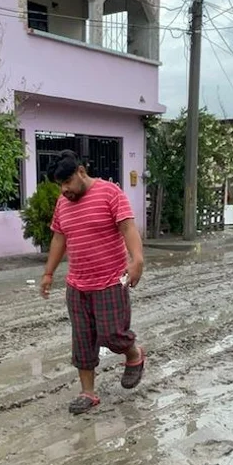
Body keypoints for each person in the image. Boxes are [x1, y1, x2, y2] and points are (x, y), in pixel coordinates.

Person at [40, 150, 145, 414]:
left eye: (67, 182)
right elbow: (59, 238)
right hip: (77, 285)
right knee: (82, 340)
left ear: (81, 172)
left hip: (110, 281)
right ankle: (88, 392)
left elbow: (127, 227)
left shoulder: (110, 193)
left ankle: (133, 354)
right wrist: (49, 273)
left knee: (112, 335)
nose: (64, 190)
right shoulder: (63, 203)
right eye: (60, 185)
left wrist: (137, 259)